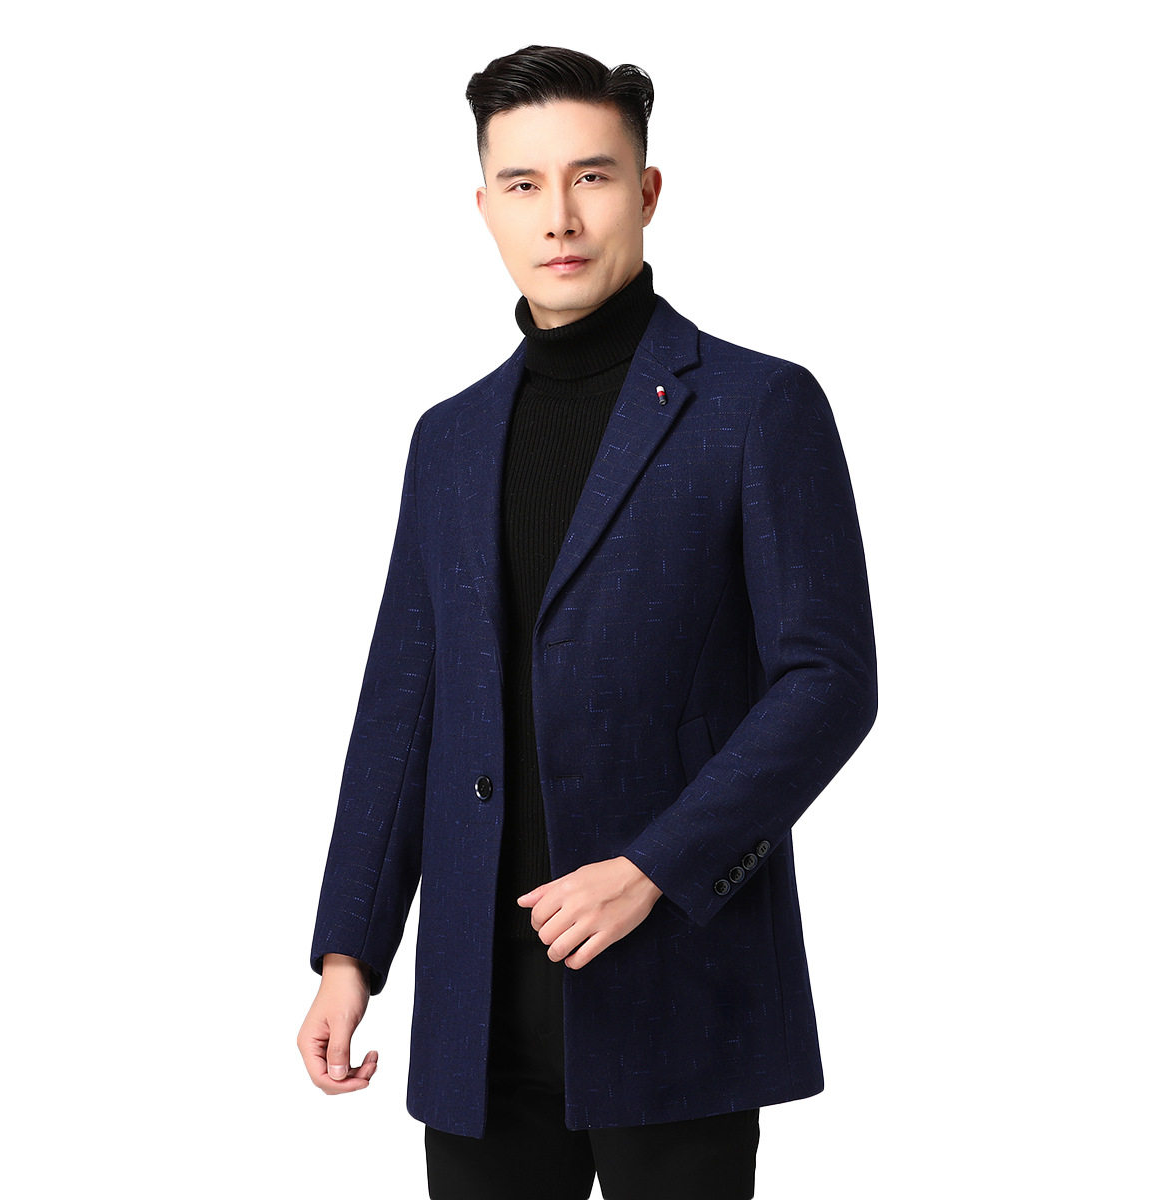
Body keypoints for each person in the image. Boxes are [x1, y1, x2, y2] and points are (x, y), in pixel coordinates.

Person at [296, 44, 878, 1200]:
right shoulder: (449, 441)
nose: (558, 217)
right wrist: (350, 950)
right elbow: (402, 708)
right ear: (484, 207)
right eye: (523, 184)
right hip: (477, 1009)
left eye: (592, 177)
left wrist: (655, 867)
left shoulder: (759, 407)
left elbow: (828, 681)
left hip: (677, 981)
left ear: (647, 192)